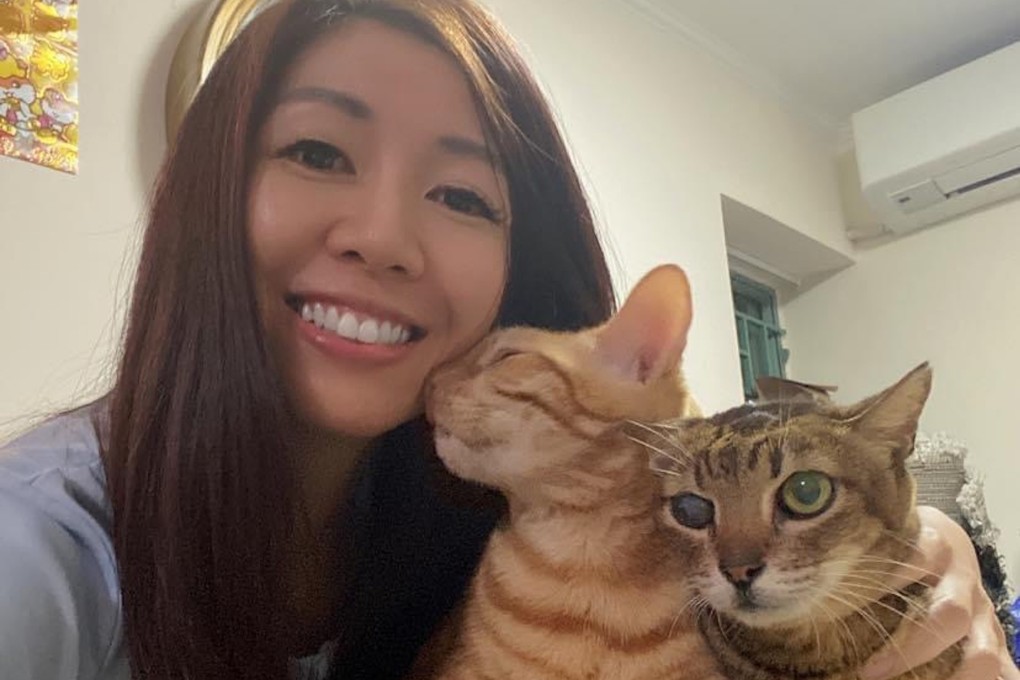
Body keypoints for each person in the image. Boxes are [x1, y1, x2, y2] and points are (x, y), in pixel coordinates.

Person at [0, 1, 1014, 679]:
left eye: (458, 193)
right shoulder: (46, 539)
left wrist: (915, 560)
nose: (386, 236)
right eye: (317, 150)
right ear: (203, 194)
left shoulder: (471, 488)